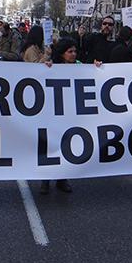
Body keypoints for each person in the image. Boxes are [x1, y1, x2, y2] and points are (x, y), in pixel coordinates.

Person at [39, 37, 80, 195]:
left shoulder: (80, 67)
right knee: (50, 146)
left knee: (67, 147)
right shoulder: (52, 66)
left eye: (75, 51)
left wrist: (97, 67)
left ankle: (62, 179)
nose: (73, 54)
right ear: (62, 54)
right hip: (52, 114)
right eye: (70, 51)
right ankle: (46, 180)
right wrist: (45, 65)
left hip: (70, 115)